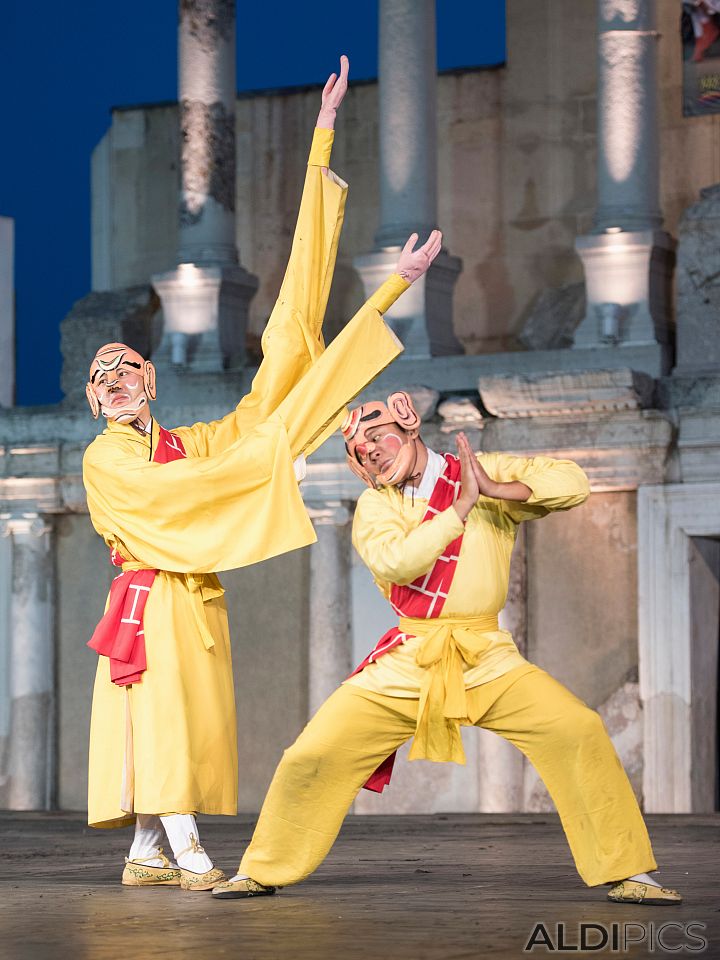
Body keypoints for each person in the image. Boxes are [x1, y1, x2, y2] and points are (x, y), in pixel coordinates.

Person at [82, 56, 442, 892]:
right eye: (103, 380)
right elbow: (194, 490)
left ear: (150, 380)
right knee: (166, 721)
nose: (117, 381)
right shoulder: (112, 459)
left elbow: (282, 370)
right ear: (96, 403)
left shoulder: (183, 442)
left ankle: (144, 853)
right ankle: (187, 846)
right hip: (148, 600)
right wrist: (263, 453)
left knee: (187, 722)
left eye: (127, 368)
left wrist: (383, 280)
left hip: (188, 594)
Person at [213, 392, 682, 906]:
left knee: (578, 729)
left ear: (409, 423)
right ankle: (262, 869)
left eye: (377, 434)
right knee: (312, 754)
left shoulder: (479, 472)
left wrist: (497, 489)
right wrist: (460, 508)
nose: (370, 450)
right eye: (359, 449)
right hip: (409, 658)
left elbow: (572, 482)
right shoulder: (377, 505)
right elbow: (396, 563)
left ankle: (629, 871)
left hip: (486, 655)